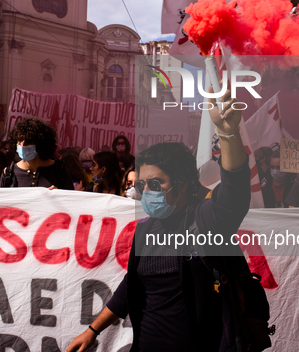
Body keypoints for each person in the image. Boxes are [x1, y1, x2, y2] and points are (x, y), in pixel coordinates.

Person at [67, 86, 256, 352]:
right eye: (142, 185)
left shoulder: (206, 221)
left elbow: (235, 188)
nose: (145, 193)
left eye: (155, 184)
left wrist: (227, 132)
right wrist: (92, 329)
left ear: (182, 184)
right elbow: (132, 285)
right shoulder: (145, 231)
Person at [0, 118, 73, 189]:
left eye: (28, 142)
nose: (22, 145)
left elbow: (71, 199)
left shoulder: (59, 171)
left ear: (41, 144)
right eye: (19, 141)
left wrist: (58, 196)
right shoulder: (9, 173)